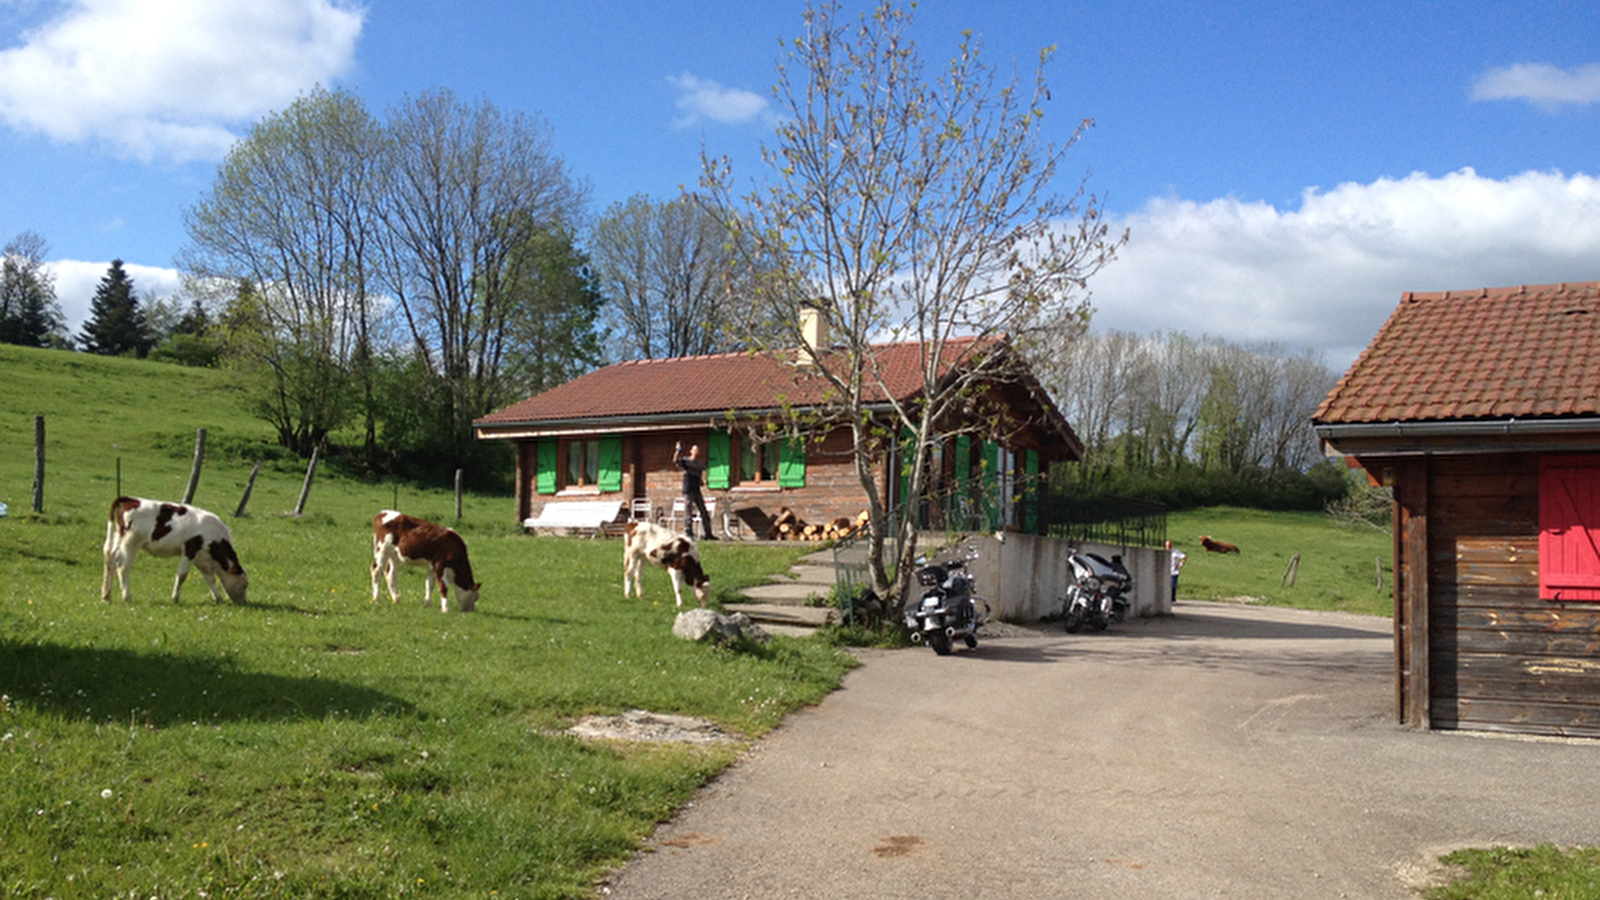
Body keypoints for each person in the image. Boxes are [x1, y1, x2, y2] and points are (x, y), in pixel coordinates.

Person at [674, 441, 716, 540]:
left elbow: (699, 476)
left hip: (696, 490)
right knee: (688, 511)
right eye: (695, 449)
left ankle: (708, 534)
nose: (697, 451)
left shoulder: (699, 465)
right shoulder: (686, 461)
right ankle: (688, 532)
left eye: (698, 450)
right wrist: (677, 450)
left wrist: (701, 481)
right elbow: (675, 461)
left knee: (703, 511)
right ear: (691, 451)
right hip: (688, 489)